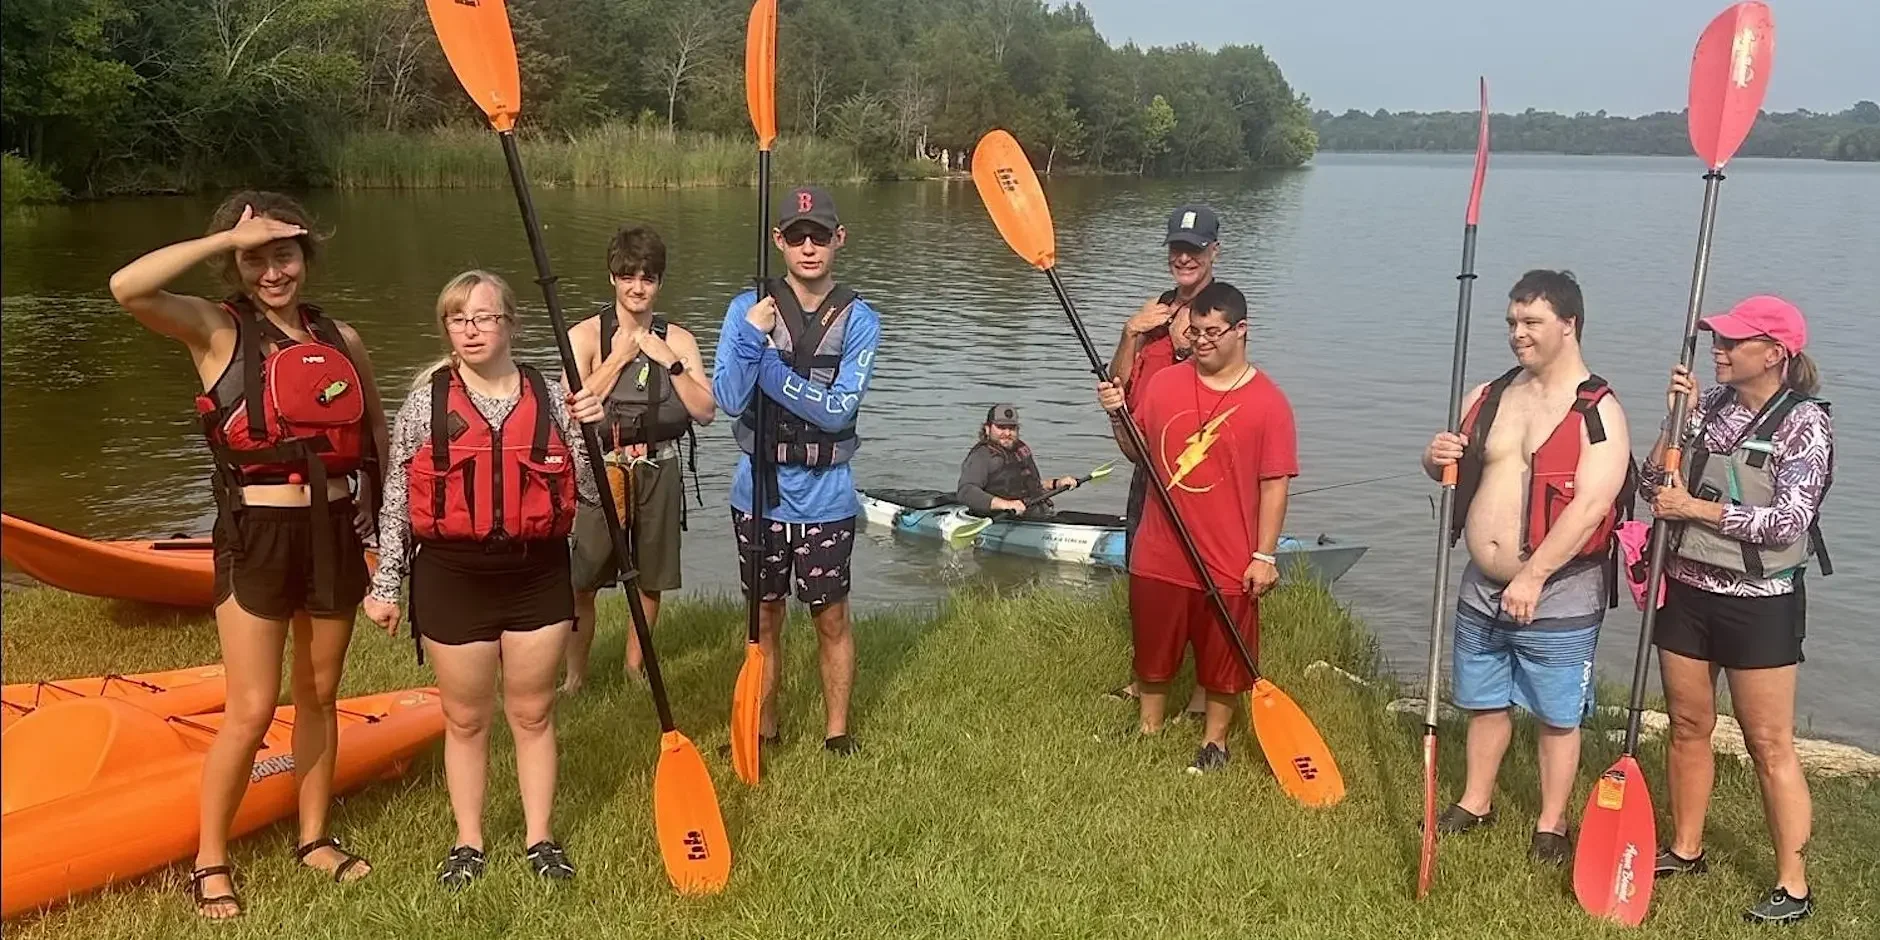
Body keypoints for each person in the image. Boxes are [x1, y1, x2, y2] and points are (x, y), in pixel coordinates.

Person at [109, 191, 387, 919]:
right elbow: (127, 288)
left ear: (305, 257)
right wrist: (225, 239)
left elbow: (374, 435)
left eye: (284, 255)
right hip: (256, 535)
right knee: (252, 708)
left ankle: (315, 838)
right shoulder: (213, 329)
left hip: (333, 533)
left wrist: (383, 530)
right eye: (255, 259)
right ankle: (211, 859)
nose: (272, 272)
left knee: (320, 694)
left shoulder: (341, 338)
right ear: (235, 265)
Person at [361, 271, 603, 890]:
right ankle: (468, 841)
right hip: (451, 576)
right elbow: (397, 499)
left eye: (484, 317)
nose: (470, 330)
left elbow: (591, 487)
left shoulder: (554, 399)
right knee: (466, 719)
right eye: (457, 319)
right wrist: (386, 585)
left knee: (533, 713)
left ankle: (540, 838)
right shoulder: (426, 402)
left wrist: (591, 426)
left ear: (510, 324)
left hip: (536, 574)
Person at [1420, 269, 1633, 864]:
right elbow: (1449, 471)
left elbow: (1592, 505)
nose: (1517, 333)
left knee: (1556, 713)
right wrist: (1433, 457)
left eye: (1532, 322)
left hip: (1558, 588)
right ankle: (1475, 801)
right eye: (1512, 321)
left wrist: (1533, 575)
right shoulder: (1489, 395)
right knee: (1483, 699)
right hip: (1482, 586)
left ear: (1569, 325)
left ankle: (1551, 823)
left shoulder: (1599, 411)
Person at [1643, 296, 1832, 925]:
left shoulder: (1805, 425)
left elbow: (1788, 522)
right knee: (1687, 724)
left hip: (1761, 604)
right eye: (1717, 339)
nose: (1718, 350)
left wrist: (1696, 510)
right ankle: (1685, 848)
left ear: (1774, 354)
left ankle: (1793, 885)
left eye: (1732, 341)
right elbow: (1650, 488)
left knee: (1769, 743)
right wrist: (1675, 420)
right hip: (1687, 593)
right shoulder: (1710, 409)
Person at [1094, 281, 1296, 774]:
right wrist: (1117, 416)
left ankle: (1215, 744)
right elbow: (1137, 452)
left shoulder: (1269, 402)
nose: (1201, 341)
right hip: (1159, 550)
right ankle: (1148, 730)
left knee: (1223, 661)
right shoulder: (1164, 384)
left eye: (1212, 332)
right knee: (1152, 650)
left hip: (1227, 557)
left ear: (1241, 329)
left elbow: (1275, 484)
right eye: (1195, 332)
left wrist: (1264, 556)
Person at [712, 185, 881, 757]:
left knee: (830, 617)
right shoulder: (746, 310)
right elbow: (729, 399)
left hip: (826, 497)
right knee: (763, 616)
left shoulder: (860, 320)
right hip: (757, 493)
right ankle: (764, 727)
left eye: (820, 236)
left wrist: (766, 364)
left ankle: (837, 733)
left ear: (839, 240)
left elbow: (837, 411)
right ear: (778, 241)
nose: (809, 248)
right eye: (797, 236)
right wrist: (748, 337)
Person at [561, 225, 715, 694]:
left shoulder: (679, 340)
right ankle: (574, 678)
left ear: (659, 282)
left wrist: (668, 361)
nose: (637, 288)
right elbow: (569, 409)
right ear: (613, 278)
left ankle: (634, 670)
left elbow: (706, 411)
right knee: (582, 580)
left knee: (651, 580)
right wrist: (619, 357)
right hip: (602, 468)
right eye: (628, 277)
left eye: (647, 278)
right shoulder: (585, 335)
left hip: (659, 463)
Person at [1104, 205, 1220, 714]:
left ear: (1214, 252)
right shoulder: (1154, 309)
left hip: (1195, 466)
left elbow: (1219, 383)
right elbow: (1117, 379)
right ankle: (1146, 678)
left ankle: (1203, 689)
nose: (1184, 258)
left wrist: (1180, 350)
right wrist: (1130, 332)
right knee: (1145, 574)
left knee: (1200, 578)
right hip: (1145, 462)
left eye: (1194, 249)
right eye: (1177, 248)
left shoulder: (1220, 313)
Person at [955, 403, 1081, 519]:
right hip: (1004, 519)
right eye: (1001, 427)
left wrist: (1056, 483)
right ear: (987, 429)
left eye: (1012, 428)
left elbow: (1031, 485)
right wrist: (1006, 504)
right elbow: (966, 492)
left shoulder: (1020, 450)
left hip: (1037, 515)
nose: (1007, 433)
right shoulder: (981, 456)